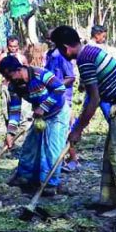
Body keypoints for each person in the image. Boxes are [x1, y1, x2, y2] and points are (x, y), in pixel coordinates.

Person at [51, 25, 116, 218]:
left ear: (65, 47)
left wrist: (77, 130)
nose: (59, 53)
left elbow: (94, 100)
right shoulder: (88, 53)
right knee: (111, 151)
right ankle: (110, 200)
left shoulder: (85, 59)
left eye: (59, 49)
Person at [0, 56, 69, 196]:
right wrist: (10, 133)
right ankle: (25, 177)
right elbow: (14, 109)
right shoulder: (14, 86)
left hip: (57, 114)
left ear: (18, 70)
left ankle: (50, 184)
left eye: (9, 76)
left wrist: (43, 106)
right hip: (40, 117)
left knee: (52, 149)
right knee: (30, 146)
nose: (8, 80)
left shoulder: (40, 74)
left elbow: (60, 88)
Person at [43, 28, 80, 172]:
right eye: (47, 39)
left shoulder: (61, 56)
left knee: (65, 130)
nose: (49, 42)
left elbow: (70, 77)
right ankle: (60, 160)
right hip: (52, 98)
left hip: (64, 98)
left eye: (51, 39)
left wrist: (56, 85)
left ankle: (74, 159)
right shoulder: (50, 55)